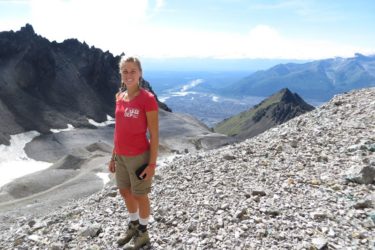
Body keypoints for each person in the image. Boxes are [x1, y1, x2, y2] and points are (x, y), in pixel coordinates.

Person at [108, 56, 159, 249]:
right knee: (124, 191)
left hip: (139, 156)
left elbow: (154, 134)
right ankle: (134, 224)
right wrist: (113, 155)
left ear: (140, 73)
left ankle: (143, 233)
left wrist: (152, 164)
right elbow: (118, 130)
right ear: (121, 74)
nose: (129, 75)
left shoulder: (148, 99)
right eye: (125, 71)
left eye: (133, 71)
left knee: (140, 195)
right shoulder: (119, 97)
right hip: (120, 156)